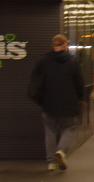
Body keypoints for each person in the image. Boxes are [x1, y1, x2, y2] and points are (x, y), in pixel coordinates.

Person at [29, 34, 84, 171]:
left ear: (53, 46)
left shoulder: (43, 61)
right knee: (69, 128)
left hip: (48, 103)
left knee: (50, 132)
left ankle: (51, 162)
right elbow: (79, 84)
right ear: (65, 45)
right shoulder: (73, 62)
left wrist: (39, 98)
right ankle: (61, 151)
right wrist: (80, 99)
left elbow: (34, 81)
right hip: (69, 103)